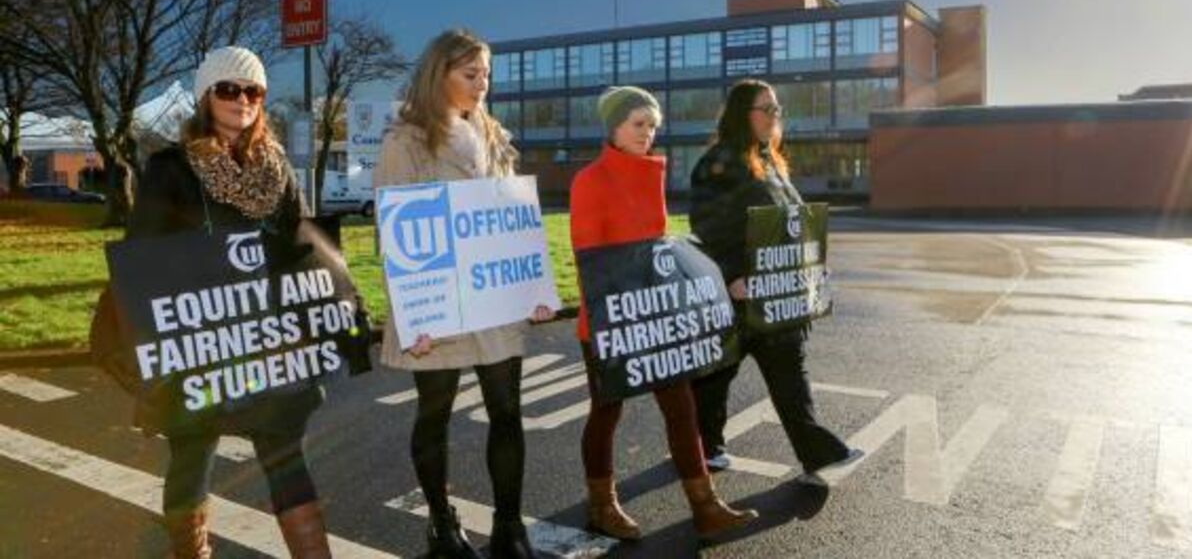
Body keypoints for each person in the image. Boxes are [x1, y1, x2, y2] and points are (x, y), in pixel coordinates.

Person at [127, 46, 333, 558]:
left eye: (253, 91)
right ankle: (191, 550)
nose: (242, 99)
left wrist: (331, 309)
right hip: (199, 342)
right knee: (192, 455)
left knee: (286, 455)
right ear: (206, 96)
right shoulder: (171, 168)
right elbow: (141, 258)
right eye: (229, 89)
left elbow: (303, 248)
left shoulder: (278, 168)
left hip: (267, 341)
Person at [373, 29, 554, 559]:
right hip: (438, 305)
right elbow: (395, 235)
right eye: (471, 74)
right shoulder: (405, 142)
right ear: (439, 74)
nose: (482, 84)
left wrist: (531, 287)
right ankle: (442, 528)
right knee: (435, 415)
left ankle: (509, 529)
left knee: (507, 411)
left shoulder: (493, 136)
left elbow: (511, 222)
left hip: (493, 301)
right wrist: (414, 315)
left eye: (487, 74)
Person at [569, 86, 758, 542]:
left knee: (682, 409)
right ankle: (601, 506)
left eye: (652, 126)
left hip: (656, 316)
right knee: (606, 412)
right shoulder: (590, 180)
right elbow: (590, 260)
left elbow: (653, 248)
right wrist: (621, 311)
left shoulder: (650, 172)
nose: (647, 133)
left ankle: (706, 506)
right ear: (614, 126)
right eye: (638, 124)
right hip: (609, 321)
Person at [689, 78, 863, 480]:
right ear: (742, 114)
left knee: (787, 370)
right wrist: (731, 275)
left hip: (777, 291)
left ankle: (816, 453)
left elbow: (793, 222)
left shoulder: (770, 161)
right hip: (739, 292)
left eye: (777, 109)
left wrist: (812, 266)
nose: (774, 116)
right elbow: (706, 225)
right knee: (716, 373)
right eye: (765, 109)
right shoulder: (718, 163)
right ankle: (704, 446)